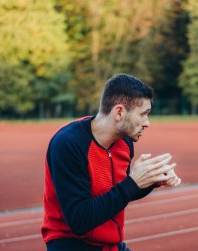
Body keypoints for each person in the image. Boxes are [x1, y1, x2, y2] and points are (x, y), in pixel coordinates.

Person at [41, 73, 181, 251]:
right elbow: (79, 220)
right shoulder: (69, 143)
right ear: (119, 112)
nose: (147, 123)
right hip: (71, 245)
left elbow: (117, 192)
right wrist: (133, 182)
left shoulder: (125, 142)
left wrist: (150, 180)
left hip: (111, 245)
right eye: (143, 114)